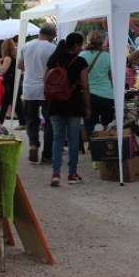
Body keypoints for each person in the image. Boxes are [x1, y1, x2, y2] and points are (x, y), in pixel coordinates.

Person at [45, 32, 90, 186]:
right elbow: (84, 85)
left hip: (55, 103)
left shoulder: (54, 59)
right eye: (80, 45)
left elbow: (45, 80)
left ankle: (56, 172)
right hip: (74, 103)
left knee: (58, 138)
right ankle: (72, 173)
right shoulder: (80, 62)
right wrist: (88, 106)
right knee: (73, 139)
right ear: (76, 45)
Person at [20, 22, 57, 164]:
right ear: (52, 34)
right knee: (49, 121)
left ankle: (33, 144)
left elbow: (20, 66)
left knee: (31, 120)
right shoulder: (52, 48)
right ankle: (47, 154)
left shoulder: (26, 46)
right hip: (46, 89)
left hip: (29, 88)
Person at [80, 30, 113, 142]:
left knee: (90, 126)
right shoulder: (107, 56)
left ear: (88, 41)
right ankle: (108, 149)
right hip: (107, 95)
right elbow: (111, 77)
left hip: (89, 95)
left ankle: (95, 149)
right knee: (108, 126)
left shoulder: (82, 55)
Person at [0, 36, 23, 126]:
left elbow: (3, 70)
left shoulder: (8, 58)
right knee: (9, 102)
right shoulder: (14, 57)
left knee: (11, 102)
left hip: (10, 83)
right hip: (13, 82)